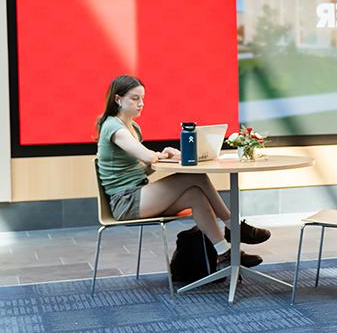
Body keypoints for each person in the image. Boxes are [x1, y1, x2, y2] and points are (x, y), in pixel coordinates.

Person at [95, 75, 270, 268]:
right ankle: (234, 227)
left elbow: (141, 169)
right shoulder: (113, 127)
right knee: (194, 176)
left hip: (139, 193)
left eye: (142, 98)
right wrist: (163, 154)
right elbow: (147, 157)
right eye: (135, 98)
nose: (141, 104)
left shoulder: (132, 127)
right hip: (126, 201)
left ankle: (225, 253)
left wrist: (165, 156)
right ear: (118, 99)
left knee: (196, 195)